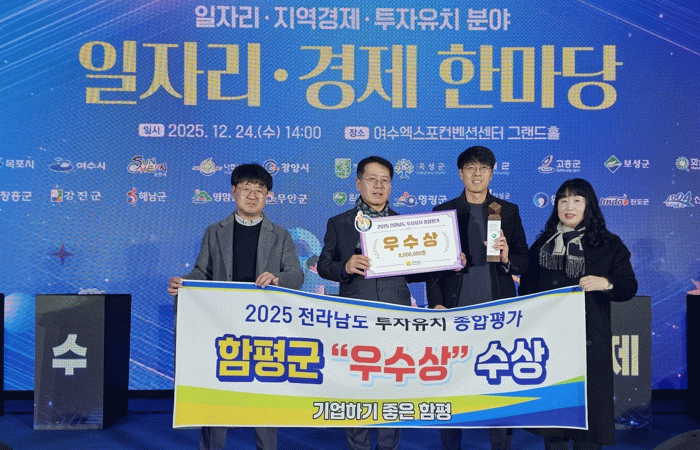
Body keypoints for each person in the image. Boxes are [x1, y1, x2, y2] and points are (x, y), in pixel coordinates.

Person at [168, 163, 304, 450]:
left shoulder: (280, 235)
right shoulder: (215, 232)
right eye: (246, 189)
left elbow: (297, 275)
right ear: (233, 191)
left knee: (264, 399)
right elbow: (202, 272)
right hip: (222, 326)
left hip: (264, 328)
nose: (252, 196)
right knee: (217, 396)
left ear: (268, 196)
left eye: (259, 191)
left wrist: (278, 279)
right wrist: (184, 283)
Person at [519, 178, 638, 450]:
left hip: (589, 343)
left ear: (588, 206)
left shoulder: (609, 243)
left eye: (576, 200)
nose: (568, 207)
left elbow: (628, 286)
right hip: (551, 344)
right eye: (563, 201)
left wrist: (605, 283)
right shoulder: (543, 245)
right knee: (555, 424)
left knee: (589, 424)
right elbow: (526, 291)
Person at [426, 145, 529, 450]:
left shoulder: (507, 211)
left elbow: (523, 260)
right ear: (461, 173)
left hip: (496, 309)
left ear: (492, 173)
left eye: (483, 168)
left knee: (497, 381)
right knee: (451, 383)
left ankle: (501, 445)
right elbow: (432, 269)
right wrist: (436, 303)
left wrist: (508, 258)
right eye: (470, 168)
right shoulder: (443, 212)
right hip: (455, 309)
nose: (477, 174)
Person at [316, 155, 411, 450]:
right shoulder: (340, 223)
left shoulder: (405, 224)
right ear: (359, 183)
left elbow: (418, 269)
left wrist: (449, 261)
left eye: (385, 181)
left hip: (396, 314)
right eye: (372, 180)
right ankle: (359, 445)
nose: (378, 186)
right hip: (356, 315)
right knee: (357, 382)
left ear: (391, 186)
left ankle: (388, 445)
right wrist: (345, 267)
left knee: (393, 382)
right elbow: (323, 265)